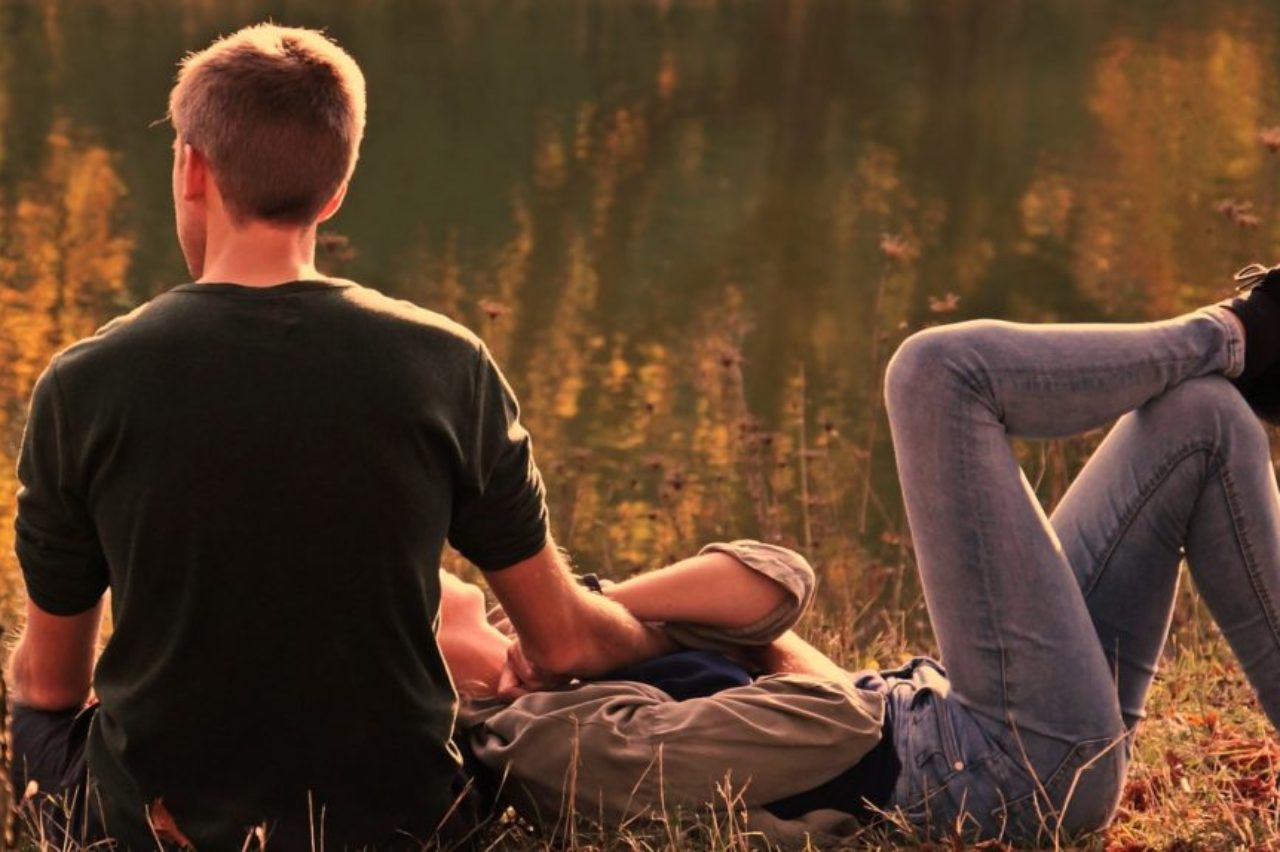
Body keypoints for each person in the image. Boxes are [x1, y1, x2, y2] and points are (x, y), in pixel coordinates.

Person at [6, 23, 673, 850]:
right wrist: (658, 633)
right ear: (335, 192)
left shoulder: (85, 383)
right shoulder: (445, 362)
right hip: (407, 821)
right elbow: (563, 640)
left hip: (156, 825)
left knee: (34, 713)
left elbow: (51, 680)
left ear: (190, 168)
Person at [447, 277, 1280, 846]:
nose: (444, 582)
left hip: (978, 723)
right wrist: (631, 651)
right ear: (433, 670)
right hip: (997, 772)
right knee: (936, 373)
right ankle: (1241, 331)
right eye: (427, 599)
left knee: (1201, 418)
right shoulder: (537, 744)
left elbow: (775, 581)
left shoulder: (565, 658)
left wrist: (592, 622)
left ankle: (1235, 346)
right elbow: (828, 723)